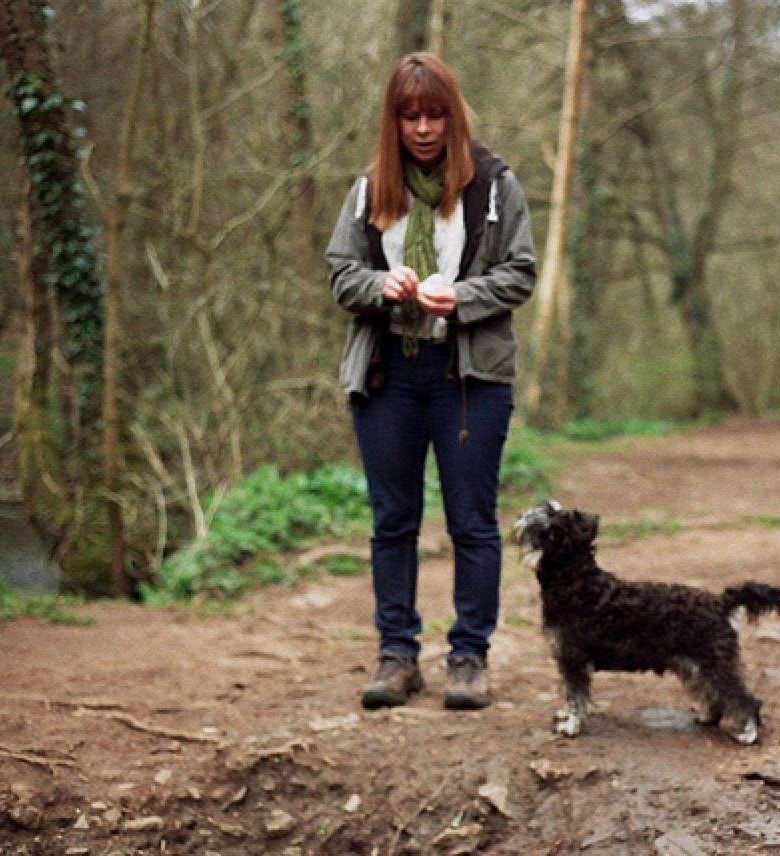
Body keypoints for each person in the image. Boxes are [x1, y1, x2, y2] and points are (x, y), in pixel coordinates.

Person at [325, 52, 537, 711]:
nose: (422, 128)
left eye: (434, 114)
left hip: (468, 376)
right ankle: (397, 657)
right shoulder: (369, 190)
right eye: (409, 115)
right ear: (393, 120)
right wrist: (378, 286)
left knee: (472, 522)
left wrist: (464, 296)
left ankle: (469, 658)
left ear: (454, 114)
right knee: (393, 521)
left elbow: (521, 273)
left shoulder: (496, 185)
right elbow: (340, 273)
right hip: (390, 372)